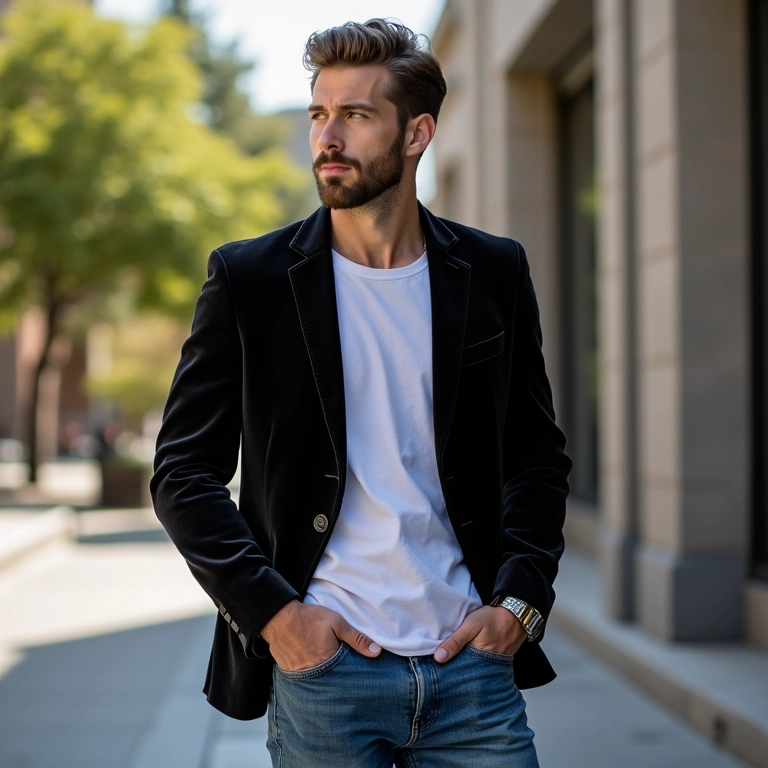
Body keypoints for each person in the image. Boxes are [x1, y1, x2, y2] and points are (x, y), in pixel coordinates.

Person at [151, 18, 572, 768]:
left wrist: (519, 606)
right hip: (326, 677)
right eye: (319, 113)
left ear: (417, 134)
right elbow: (183, 473)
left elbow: (537, 459)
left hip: (472, 670)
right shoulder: (249, 281)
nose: (329, 136)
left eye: (356, 115)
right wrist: (276, 617)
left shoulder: (493, 271)